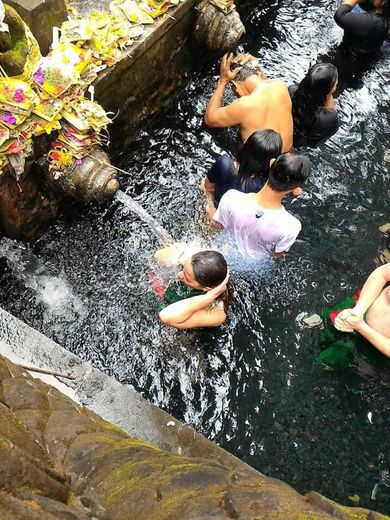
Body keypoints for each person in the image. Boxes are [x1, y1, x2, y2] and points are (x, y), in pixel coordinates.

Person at [210, 153, 311, 258]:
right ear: (296, 186)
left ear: (271, 164)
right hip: (253, 266)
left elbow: (218, 226)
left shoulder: (231, 197)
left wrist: (208, 202)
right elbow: (276, 254)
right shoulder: (291, 226)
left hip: (222, 252)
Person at [204, 53, 293, 152]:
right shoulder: (279, 85)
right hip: (288, 159)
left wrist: (223, 81)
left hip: (263, 165)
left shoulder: (245, 105)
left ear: (235, 86)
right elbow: (262, 79)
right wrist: (253, 61)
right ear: (257, 73)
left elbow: (209, 120)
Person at [202, 129, 282, 210]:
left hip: (215, 208)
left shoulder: (224, 164)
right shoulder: (263, 186)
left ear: (245, 145)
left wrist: (211, 208)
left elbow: (206, 188)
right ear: (271, 162)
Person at [153, 245, 230, 329]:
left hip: (181, 327)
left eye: (187, 278)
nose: (179, 274)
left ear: (206, 288)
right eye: (183, 269)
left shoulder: (217, 313)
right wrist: (180, 258)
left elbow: (166, 316)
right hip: (165, 298)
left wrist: (210, 296)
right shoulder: (196, 263)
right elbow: (157, 255)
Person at [334, 263, 390, 358]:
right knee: (326, 324)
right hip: (361, 304)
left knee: (334, 361)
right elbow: (382, 274)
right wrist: (359, 310)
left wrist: (361, 327)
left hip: (376, 349)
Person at [291, 63, 340, 148]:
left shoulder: (292, 90)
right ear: (327, 91)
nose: (336, 87)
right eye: (335, 86)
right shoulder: (329, 117)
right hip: (306, 145)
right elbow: (333, 130)